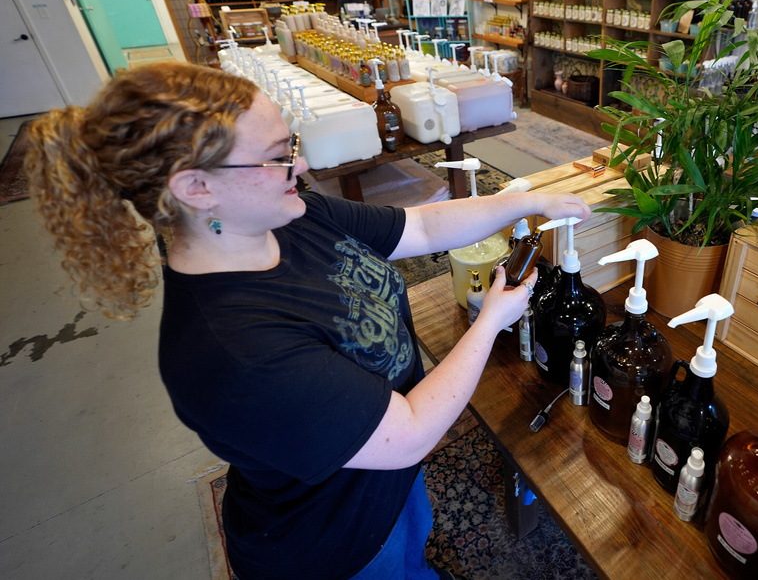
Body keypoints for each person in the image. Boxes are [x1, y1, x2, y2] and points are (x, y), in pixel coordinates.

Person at [25, 62, 591, 580]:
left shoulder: (285, 215)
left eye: (290, 143)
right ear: (196, 188)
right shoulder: (233, 352)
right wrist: (489, 322)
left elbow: (416, 229)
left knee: (415, 547)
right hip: (334, 544)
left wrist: (519, 202)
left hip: (386, 485)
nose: (299, 163)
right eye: (275, 156)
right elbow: (412, 429)